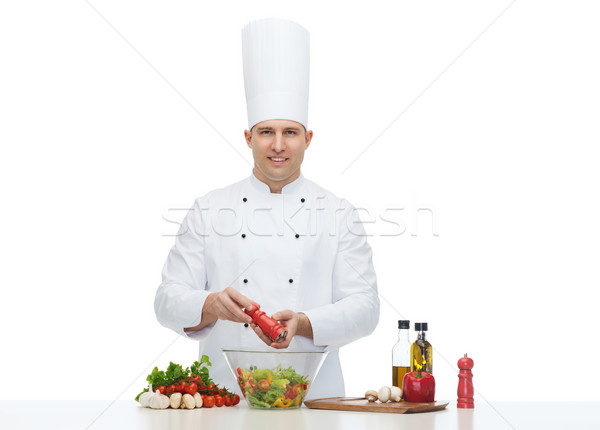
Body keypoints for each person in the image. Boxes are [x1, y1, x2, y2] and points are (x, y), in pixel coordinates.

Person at [154, 18, 379, 399]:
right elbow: (166, 299)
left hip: (314, 400)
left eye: (290, 132)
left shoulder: (338, 212)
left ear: (308, 139)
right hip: (222, 398)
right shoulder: (209, 209)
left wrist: (306, 322)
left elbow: (366, 307)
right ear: (248, 137)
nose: (278, 145)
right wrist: (210, 304)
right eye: (266, 132)